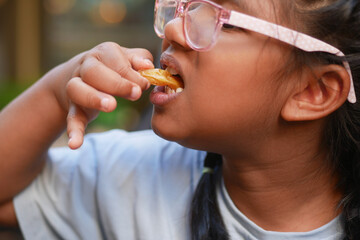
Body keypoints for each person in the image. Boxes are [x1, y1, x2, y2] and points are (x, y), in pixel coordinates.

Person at [1, 0, 360, 239]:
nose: (174, 29)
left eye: (224, 22)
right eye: (183, 7)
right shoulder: (133, 175)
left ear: (314, 92)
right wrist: (57, 90)